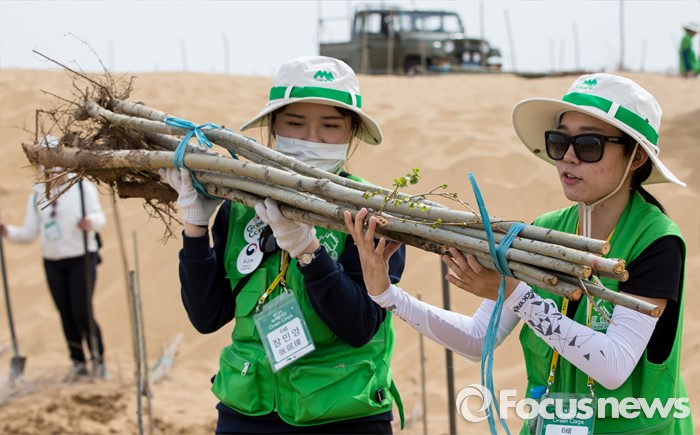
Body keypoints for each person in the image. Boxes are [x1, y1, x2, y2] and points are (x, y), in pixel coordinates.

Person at [345, 73, 692, 433]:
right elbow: (479, 338)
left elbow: (614, 365)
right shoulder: (547, 229)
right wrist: (387, 295)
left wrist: (515, 294)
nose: (568, 157)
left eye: (588, 145)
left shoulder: (656, 240)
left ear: (636, 157)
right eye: (559, 142)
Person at [161, 56, 406, 434]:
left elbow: (360, 326)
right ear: (274, 126)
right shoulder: (239, 206)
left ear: (352, 132)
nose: (311, 138)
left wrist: (308, 252)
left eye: (330, 126)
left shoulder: (371, 214)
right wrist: (195, 228)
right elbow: (207, 317)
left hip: (344, 413)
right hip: (246, 410)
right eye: (295, 123)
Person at [0, 135, 108, 381]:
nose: (49, 168)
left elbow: (100, 218)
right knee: (65, 313)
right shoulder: (37, 195)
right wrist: (8, 232)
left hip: (81, 257)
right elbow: (29, 233)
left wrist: (90, 222)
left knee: (81, 310)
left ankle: (98, 358)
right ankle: (78, 361)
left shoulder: (81, 187)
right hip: (53, 262)